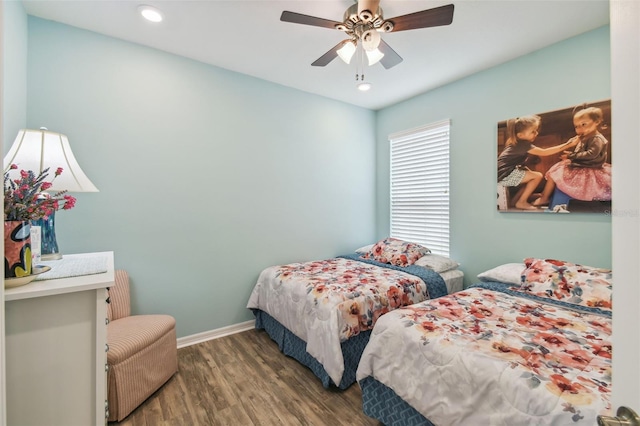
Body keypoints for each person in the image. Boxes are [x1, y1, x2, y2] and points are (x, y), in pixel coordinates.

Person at [533, 106, 611, 209]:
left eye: (583, 124)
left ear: (596, 122)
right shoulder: (588, 137)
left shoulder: (597, 139)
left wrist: (571, 156)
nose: (579, 129)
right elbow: (584, 153)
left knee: (557, 170)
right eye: (577, 126)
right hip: (584, 164)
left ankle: (545, 197)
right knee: (557, 169)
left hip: (590, 167)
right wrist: (572, 155)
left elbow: (591, 154)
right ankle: (545, 194)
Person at [497, 115, 579, 210]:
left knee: (531, 177)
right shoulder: (523, 145)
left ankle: (515, 201)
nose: (536, 133)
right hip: (503, 175)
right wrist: (568, 144)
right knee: (537, 176)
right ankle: (521, 202)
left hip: (501, 173)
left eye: (536, 130)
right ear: (520, 135)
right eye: (533, 131)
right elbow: (545, 152)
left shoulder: (515, 143)